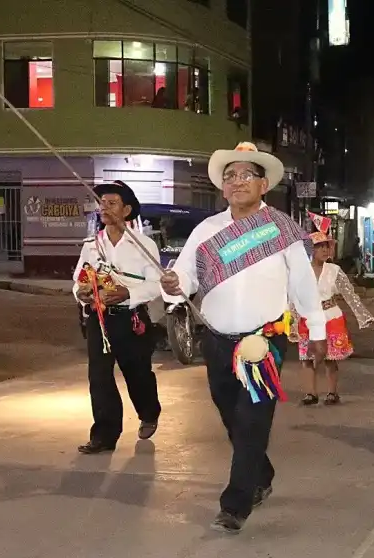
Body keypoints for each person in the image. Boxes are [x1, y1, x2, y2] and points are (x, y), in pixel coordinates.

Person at [159, 142, 327, 535]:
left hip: (261, 341)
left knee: (252, 419)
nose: (237, 182)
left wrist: (315, 331)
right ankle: (260, 473)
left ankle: (235, 504)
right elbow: (186, 277)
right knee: (231, 415)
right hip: (216, 339)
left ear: (263, 184)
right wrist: (174, 282)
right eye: (230, 176)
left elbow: (304, 285)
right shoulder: (207, 230)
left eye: (245, 175)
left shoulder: (282, 229)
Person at [73, 181, 163, 455]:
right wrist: (83, 294)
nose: (104, 208)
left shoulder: (144, 245)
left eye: (111, 203)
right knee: (99, 377)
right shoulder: (91, 246)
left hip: (131, 320)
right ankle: (104, 434)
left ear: (126, 210)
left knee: (137, 374)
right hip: (99, 320)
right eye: (102, 203)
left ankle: (148, 412)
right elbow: (77, 280)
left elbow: (156, 283)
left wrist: (128, 293)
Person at [296, 224, 373, 406]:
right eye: (319, 246)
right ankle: (310, 393)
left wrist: (363, 315)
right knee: (307, 357)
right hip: (307, 318)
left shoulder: (334, 270)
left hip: (331, 317)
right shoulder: (299, 271)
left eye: (326, 246)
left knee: (330, 357)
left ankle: (332, 392)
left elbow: (350, 295)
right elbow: (291, 297)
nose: (324, 250)